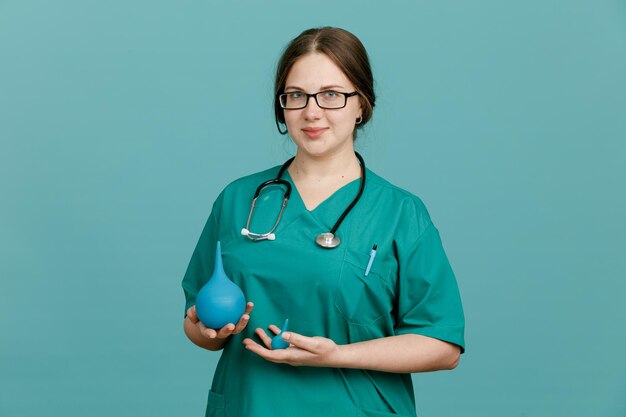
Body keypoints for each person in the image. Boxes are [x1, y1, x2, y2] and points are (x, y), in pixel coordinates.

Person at [182, 27, 465, 417]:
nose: (311, 112)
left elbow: (442, 344)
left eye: (331, 95)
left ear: (361, 104)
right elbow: (199, 324)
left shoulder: (400, 213)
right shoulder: (238, 200)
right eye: (296, 96)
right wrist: (209, 331)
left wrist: (336, 355)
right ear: (282, 106)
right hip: (250, 405)